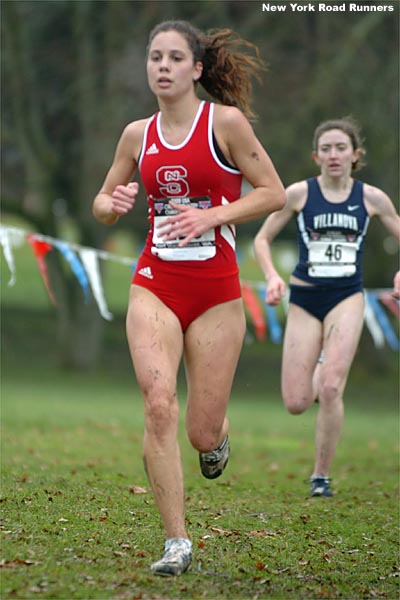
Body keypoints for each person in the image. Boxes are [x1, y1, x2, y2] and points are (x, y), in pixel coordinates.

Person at [92, 20, 285, 576]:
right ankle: (177, 541)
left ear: (197, 69)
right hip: (155, 283)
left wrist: (214, 215)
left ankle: (216, 438)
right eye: (155, 57)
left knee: (200, 429)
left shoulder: (224, 123)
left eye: (176, 58)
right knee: (158, 405)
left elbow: (272, 191)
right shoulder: (136, 134)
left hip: (218, 292)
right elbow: (102, 202)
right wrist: (115, 202)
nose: (163, 66)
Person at [254, 117, 400, 498]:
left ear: (355, 155)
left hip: (347, 297)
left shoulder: (372, 199)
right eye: (327, 148)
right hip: (304, 298)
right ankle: (320, 367)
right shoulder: (299, 194)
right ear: (316, 155)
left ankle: (321, 475)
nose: (334, 155)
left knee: (332, 388)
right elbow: (262, 239)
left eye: (341, 148)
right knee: (297, 402)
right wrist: (271, 276)